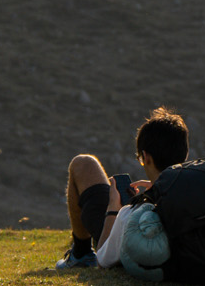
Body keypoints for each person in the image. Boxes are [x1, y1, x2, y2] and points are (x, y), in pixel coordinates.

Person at [56, 107, 189, 272]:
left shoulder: (128, 215)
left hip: (127, 234)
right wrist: (157, 188)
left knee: (83, 163)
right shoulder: (204, 192)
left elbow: (103, 260)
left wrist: (114, 209)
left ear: (146, 157)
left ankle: (81, 254)